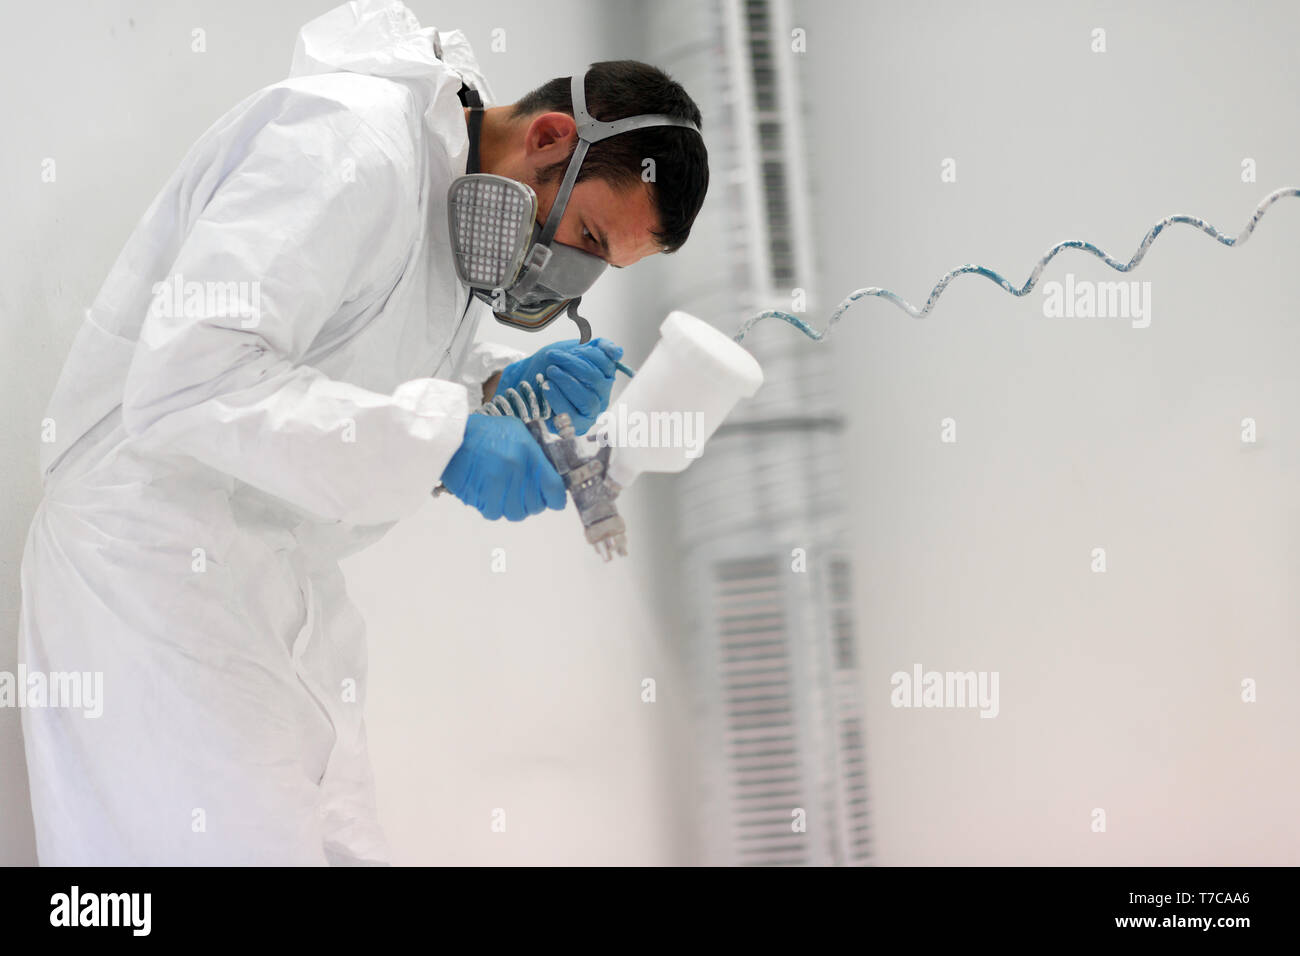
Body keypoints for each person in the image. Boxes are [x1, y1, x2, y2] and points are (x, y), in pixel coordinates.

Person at [18, 0, 708, 865]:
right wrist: (448, 440)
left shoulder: (445, 194)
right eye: (587, 236)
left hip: (275, 593)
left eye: (597, 266)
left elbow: (339, 355)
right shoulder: (346, 143)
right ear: (549, 140)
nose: (567, 278)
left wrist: (488, 382)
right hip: (153, 576)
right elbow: (191, 373)